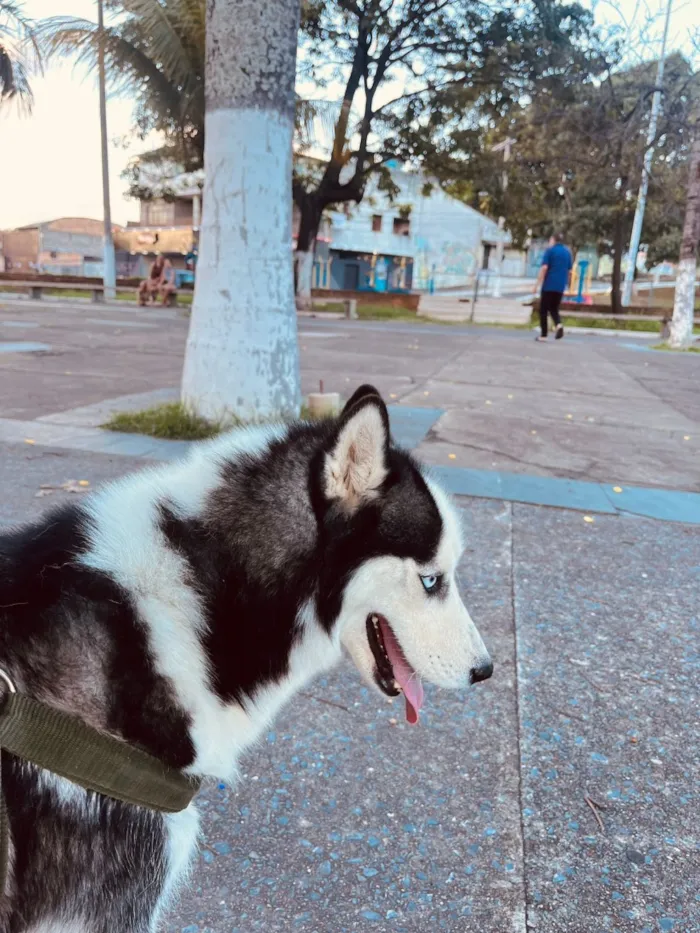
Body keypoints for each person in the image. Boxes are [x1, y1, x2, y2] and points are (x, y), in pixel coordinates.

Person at [533, 233, 573, 341]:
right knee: (554, 309)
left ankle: (544, 335)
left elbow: (544, 268)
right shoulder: (567, 252)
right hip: (560, 286)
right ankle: (559, 325)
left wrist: (537, 285)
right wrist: (568, 285)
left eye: (550, 240)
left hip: (549, 285)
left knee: (543, 310)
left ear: (553, 240)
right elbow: (570, 271)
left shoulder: (550, 251)